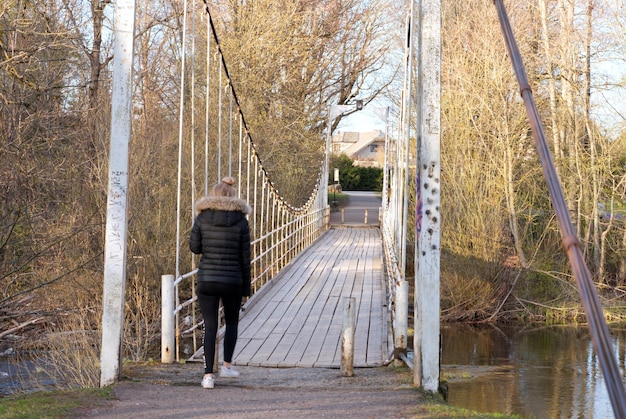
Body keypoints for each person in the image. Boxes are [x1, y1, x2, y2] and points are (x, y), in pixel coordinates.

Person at [189, 176, 252, 389]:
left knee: (210, 327)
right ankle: (226, 366)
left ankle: (208, 376)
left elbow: (195, 248)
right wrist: (246, 288)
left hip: (207, 279)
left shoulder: (202, 218)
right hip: (233, 279)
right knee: (232, 322)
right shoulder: (241, 221)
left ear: (213, 195)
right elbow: (245, 257)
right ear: (233, 196)